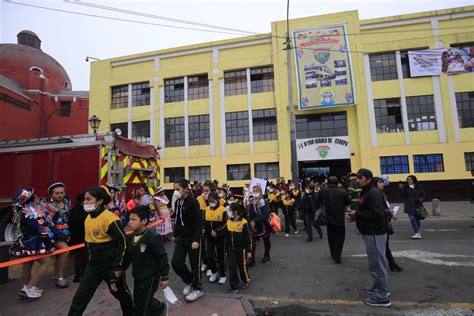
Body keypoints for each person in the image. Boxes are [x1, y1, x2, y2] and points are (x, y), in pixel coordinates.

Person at [68, 186, 133, 316]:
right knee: (80, 298)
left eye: (88, 199)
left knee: (122, 295)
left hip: (111, 267)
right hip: (93, 266)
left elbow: (123, 243)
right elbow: (89, 243)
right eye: (84, 200)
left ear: (99, 201)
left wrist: (118, 267)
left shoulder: (111, 219)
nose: (85, 202)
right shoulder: (88, 219)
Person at [348, 168, 391, 307]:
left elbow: (377, 213)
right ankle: (378, 288)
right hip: (370, 231)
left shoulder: (373, 193)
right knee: (374, 264)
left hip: (375, 232)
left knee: (378, 264)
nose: (358, 180)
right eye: (357, 178)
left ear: (368, 179)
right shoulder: (367, 191)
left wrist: (357, 214)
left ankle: (382, 297)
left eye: (360, 178)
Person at [10, 188, 58, 299]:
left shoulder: (23, 211)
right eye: (35, 195)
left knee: (27, 265)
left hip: (26, 241)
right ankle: (29, 288)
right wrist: (49, 234)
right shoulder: (29, 213)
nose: (37, 197)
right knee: (46, 262)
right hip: (33, 242)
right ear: (31, 199)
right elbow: (39, 228)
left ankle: (26, 287)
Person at [123, 206, 169, 316]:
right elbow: (127, 258)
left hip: (151, 277)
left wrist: (164, 276)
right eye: (129, 219)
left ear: (144, 221)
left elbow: (162, 256)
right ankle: (160, 307)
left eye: (133, 220)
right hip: (138, 275)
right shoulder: (130, 238)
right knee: (139, 299)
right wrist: (119, 270)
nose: (130, 222)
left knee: (140, 308)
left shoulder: (152, 237)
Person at [171, 179, 204, 302]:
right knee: (176, 262)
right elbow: (178, 219)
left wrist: (196, 239)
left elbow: (198, 223)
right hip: (181, 238)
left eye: (178, 189)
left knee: (195, 265)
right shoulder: (178, 202)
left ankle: (198, 288)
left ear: (185, 189)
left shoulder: (193, 202)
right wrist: (175, 234)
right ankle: (189, 281)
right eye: (174, 189)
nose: (176, 192)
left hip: (193, 239)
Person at [317, 176, 350, 264]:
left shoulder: (324, 190)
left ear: (327, 182)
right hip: (339, 217)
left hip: (328, 217)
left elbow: (318, 200)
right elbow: (347, 202)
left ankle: (333, 254)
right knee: (340, 237)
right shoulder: (342, 191)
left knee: (331, 237)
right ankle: (338, 255)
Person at [45, 182, 71, 288]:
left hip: (65, 232)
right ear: (51, 195)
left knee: (60, 254)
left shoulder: (66, 201)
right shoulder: (49, 206)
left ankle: (56, 274)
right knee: (65, 251)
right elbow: (49, 223)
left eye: (62, 192)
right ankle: (59, 278)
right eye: (56, 193)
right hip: (54, 234)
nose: (60, 195)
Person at [374, 177, 403, 272]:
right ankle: (390, 263)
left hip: (385, 221)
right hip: (379, 223)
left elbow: (385, 207)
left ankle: (391, 263)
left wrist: (390, 214)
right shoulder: (375, 194)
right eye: (380, 182)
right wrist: (390, 213)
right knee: (383, 245)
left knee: (385, 244)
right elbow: (380, 209)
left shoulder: (381, 194)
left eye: (382, 182)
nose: (382, 184)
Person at [226, 203, 252, 294]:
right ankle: (234, 286)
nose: (229, 212)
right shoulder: (228, 221)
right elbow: (226, 236)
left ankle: (245, 280)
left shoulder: (244, 222)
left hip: (241, 249)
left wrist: (249, 250)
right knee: (232, 267)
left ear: (236, 211)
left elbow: (248, 237)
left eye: (230, 210)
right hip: (230, 249)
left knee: (242, 266)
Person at [204, 192, 227, 284]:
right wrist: (203, 230)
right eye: (209, 201)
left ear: (217, 200)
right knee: (209, 256)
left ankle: (222, 274)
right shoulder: (206, 209)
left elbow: (225, 223)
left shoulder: (223, 210)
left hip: (220, 237)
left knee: (220, 256)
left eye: (212, 201)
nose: (211, 203)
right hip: (209, 237)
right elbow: (204, 222)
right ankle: (214, 271)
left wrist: (217, 231)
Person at [247, 185, 272, 265]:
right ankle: (252, 259)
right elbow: (250, 214)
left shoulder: (263, 201)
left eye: (257, 191)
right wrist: (251, 222)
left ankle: (267, 255)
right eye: (254, 191)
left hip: (264, 225)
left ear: (261, 192)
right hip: (254, 226)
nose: (255, 193)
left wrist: (255, 221)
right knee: (252, 242)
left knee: (266, 240)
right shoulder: (252, 202)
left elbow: (265, 214)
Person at [69, 191, 88, 283]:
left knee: (84, 256)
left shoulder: (81, 209)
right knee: (81, 256)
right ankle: (79, 275)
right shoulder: (78, 210)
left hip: (83, 236)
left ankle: (82, 274)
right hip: (80, 236)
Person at [196, 182, 212, 277]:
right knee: (201, 248)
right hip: (201, 226)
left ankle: (211, 266)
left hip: (210, 226)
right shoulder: (198, 199)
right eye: (203, 191)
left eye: (207, 191)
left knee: (209, 248)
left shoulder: (213, 199)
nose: (205, 193)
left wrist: (207, 201)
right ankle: (205, 263)